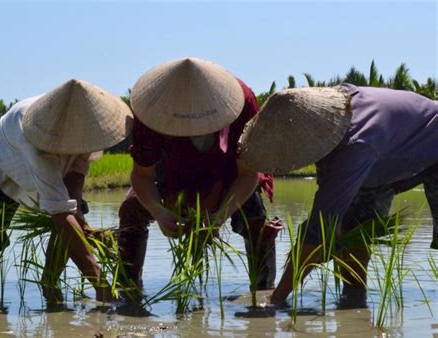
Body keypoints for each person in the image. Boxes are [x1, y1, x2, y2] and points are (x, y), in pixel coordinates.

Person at [238, 84, 437, 305]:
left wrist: (275, 301)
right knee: (354, 231)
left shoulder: (355, 144)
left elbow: (318, 229)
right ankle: (354, 302)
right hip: (385, 154)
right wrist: (333, 234)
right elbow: (330, 207)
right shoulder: (328, 116)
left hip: (429, 145)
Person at [117, 57, 282, 295]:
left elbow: (248, 175)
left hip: (228, 169)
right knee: (132, 207)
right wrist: (159, 212)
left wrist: (219, 216)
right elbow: (142, 176)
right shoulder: (151, 109)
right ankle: (128, 292)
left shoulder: (241, 101)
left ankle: (264, 292)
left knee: (254, 215)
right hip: (173, 165)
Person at [0, 78, 133, 302]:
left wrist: (80, 221)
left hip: (50, 159)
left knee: (68, 221)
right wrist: (101, 283)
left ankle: (49, 285)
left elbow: (71, 196)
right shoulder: (36, 140)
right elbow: (60, 214)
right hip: (4, 164)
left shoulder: (89, 130)